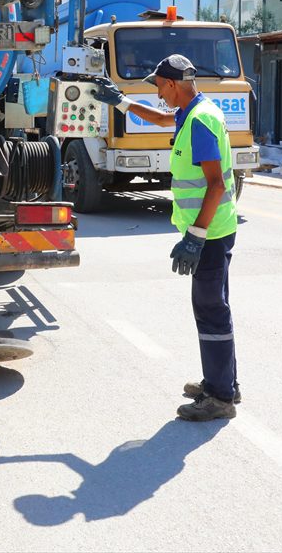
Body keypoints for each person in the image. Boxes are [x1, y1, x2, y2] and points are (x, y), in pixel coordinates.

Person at [92, 55, 240, 422]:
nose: (157, 93)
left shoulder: (200, 122)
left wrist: (195, 237)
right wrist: (121, 102)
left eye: (158, 86)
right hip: (214, 230)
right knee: (213, 307)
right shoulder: (194, 110)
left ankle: (220, 397)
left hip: (210, 233)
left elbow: (216, 184)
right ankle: (223, 382)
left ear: (173, 84)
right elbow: (159, 118)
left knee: (210, 311)